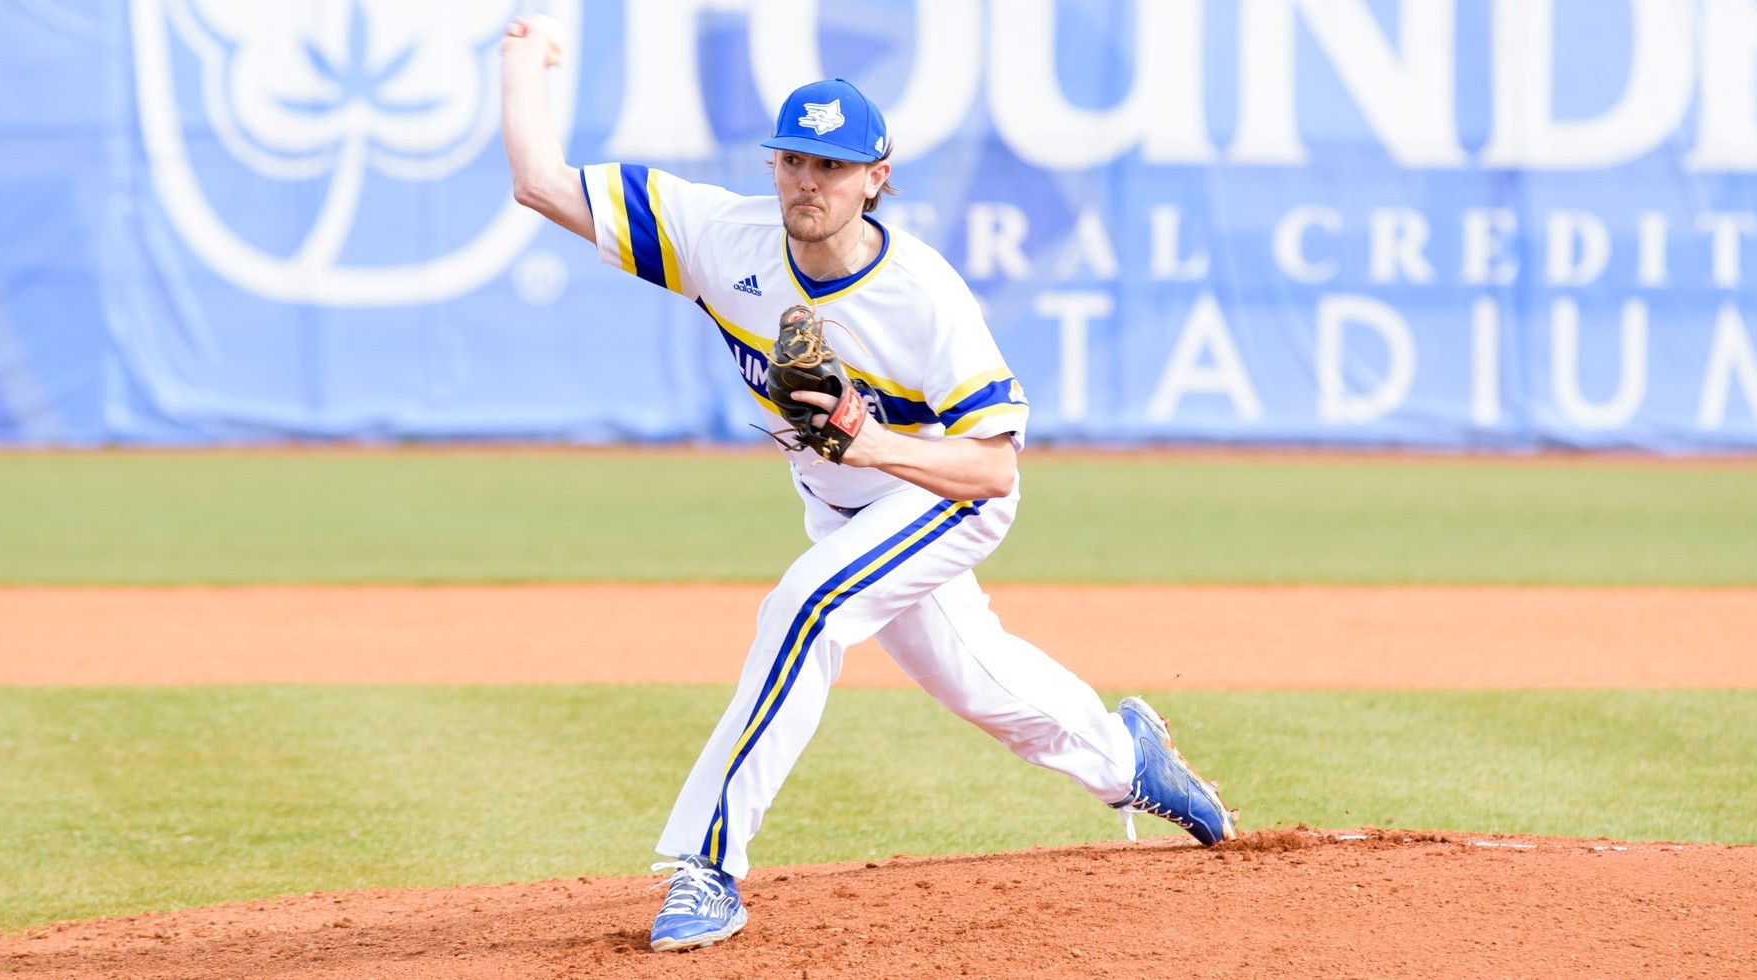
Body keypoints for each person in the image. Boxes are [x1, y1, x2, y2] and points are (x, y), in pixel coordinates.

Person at [498, 16, 1236, 953]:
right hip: (847, 508)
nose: (809, 182)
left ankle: (707, 867)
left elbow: (995, 466)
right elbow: (539, 183)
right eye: (794, 160)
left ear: (875, 179)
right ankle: (1131, 759)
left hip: (943, 496)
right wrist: (520, 58)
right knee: (987, 689)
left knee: (803, 608)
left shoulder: (924, 295)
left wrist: (870, 440)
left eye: (833, 167)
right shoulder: (723, 236)